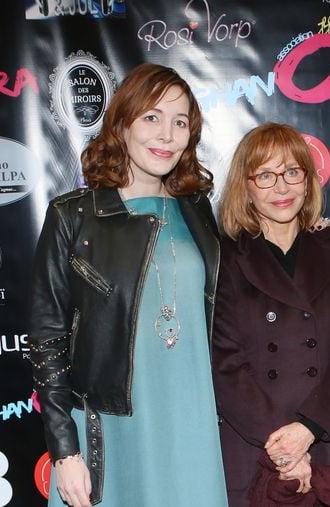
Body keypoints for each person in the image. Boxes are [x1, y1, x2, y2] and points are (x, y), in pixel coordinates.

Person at [28, 63, 227, 507]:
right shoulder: (73, 216)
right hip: (113, 427)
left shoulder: (197, 210)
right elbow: (47, 338)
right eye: (152, 117)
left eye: (180, 123)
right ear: (122, 123)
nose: (166, 135)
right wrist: (65, 450)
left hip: (191, 418)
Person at [213, 122, 330, 506]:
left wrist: (307, 430)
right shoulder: (224, 258)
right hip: (255, 447)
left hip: (322, 441)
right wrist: (284, 447)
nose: (281, 188)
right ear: (245, 186)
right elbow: (224, 364)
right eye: (265, 175)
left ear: (307, 179)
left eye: (291, 172)